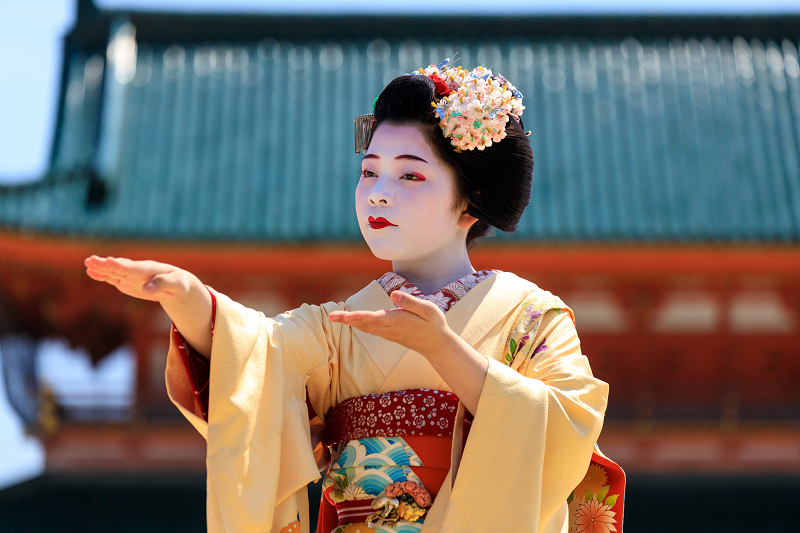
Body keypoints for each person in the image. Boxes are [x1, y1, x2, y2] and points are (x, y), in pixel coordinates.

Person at [84, 60, 624, 533]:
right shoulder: (334, 328)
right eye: (369, 171)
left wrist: (445, 350)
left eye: (410, 175)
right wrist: (186, 296)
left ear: (470, 202)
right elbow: (254, 354)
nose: (378, 191)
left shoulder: (533, 319)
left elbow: (568, 428)